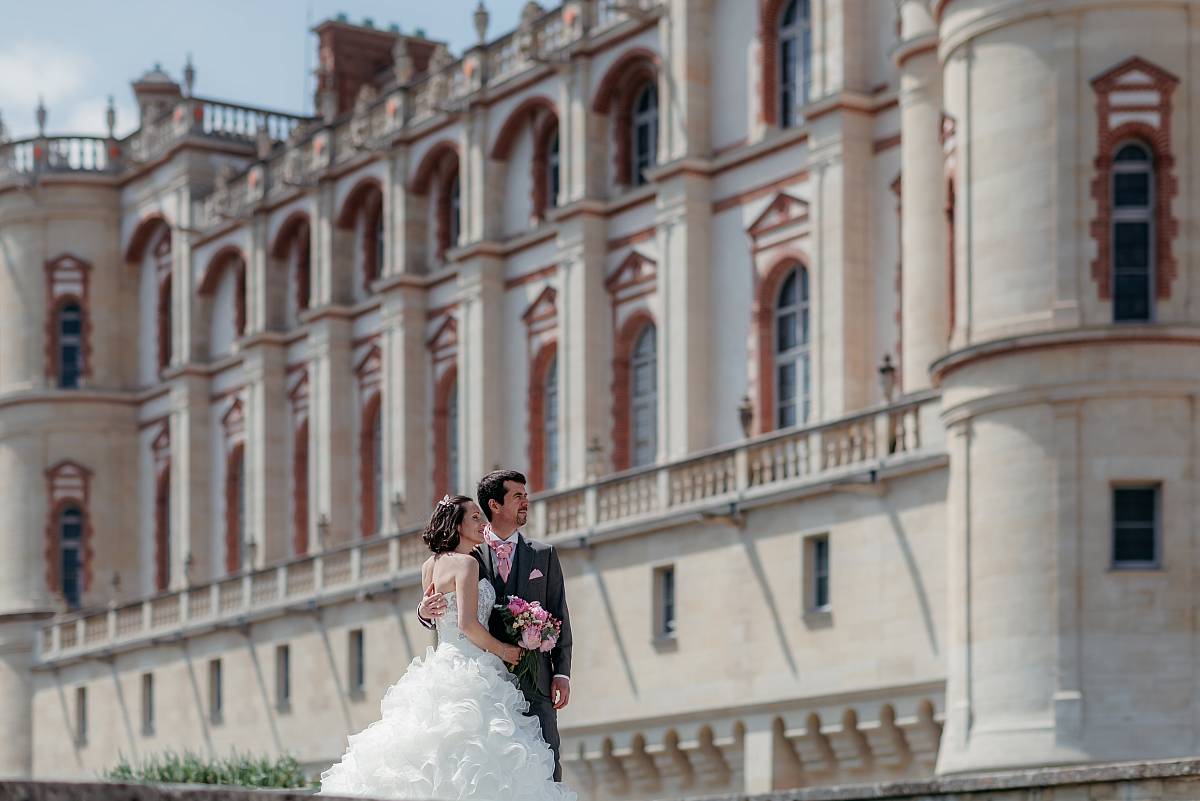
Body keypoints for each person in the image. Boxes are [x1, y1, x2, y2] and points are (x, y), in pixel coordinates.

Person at [320, 494, 575, 801]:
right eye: (475, 518)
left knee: (436, 753)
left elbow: (436, 612)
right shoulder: (467, 564)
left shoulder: (429, 565)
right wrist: (504, 651)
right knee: (482, 755)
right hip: (474, 666)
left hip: (443, 661)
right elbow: (467, 624)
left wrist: (421, 610)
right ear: (457, 526)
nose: (483, 524)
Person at [419, 469, 573, 781]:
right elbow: (440, 605)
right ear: (495, 505)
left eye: (525, 495)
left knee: (545, 768)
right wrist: (423, 611)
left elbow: (559, 613)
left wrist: (561, 672)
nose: (526, 502)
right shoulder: (465, 554)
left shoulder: (544, 555)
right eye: (518, 496)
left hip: (536, 679)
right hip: (484, 678)